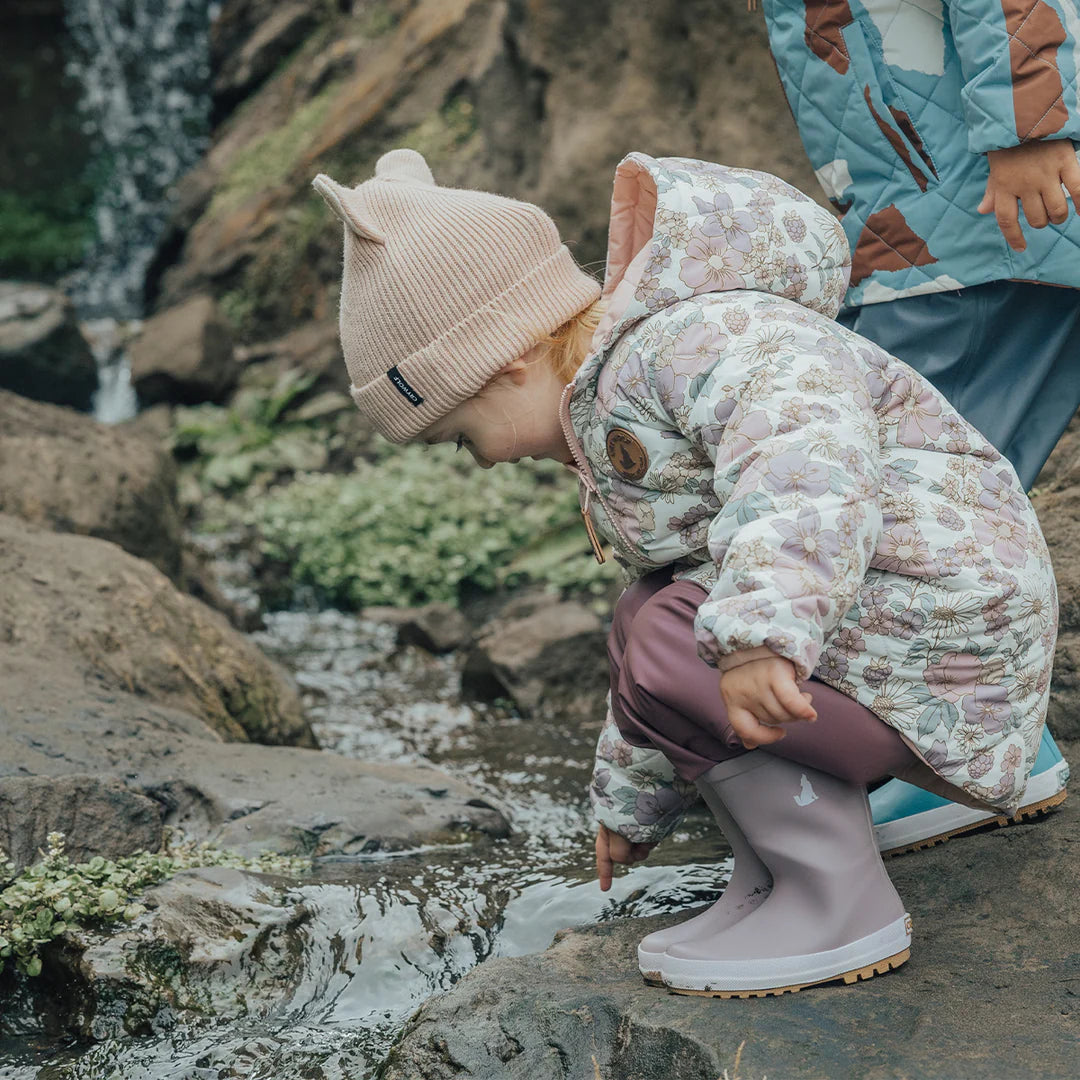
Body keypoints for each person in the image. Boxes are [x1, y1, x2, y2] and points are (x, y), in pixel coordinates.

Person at [312, 147, 1057, 997]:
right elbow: (665, 630)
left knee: (679, 635)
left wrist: (759, 634)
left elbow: (807, 462)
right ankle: (774, 870)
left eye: (455, 431)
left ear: (503, 357)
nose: (475, 463)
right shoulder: (620, 394)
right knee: (649, 615)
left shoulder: (692, 348)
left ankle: (838, 899)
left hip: (956, 631)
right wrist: (630, 809)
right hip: (909, 633)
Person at [760, 0, 1079, 851]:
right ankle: (990, 745)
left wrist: (1027, 128)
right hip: (936, 218)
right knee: (948, 488)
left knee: (907, 491)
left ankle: (974, 758)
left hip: (982, 215)